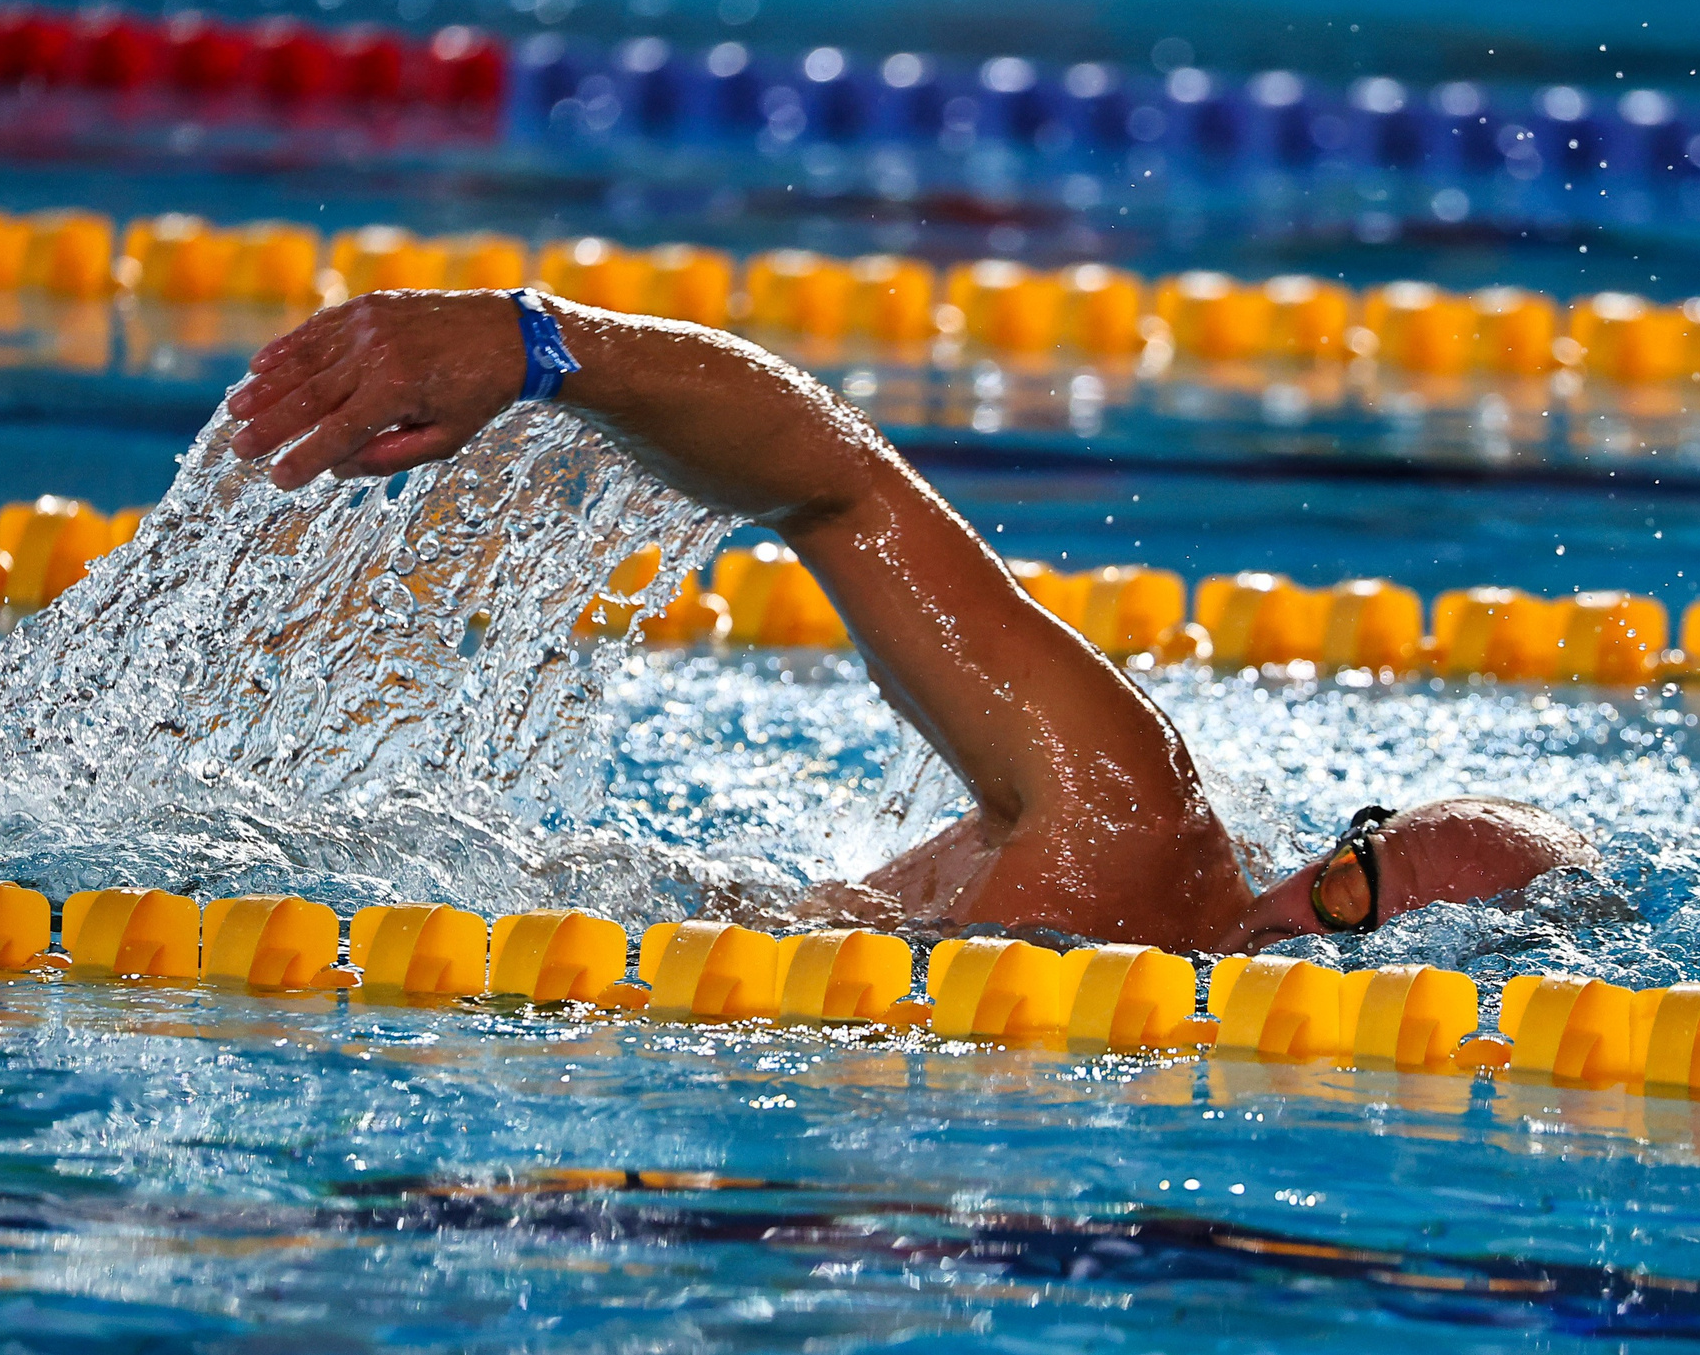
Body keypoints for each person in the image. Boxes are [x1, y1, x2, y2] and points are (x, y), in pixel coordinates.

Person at [224, 287, 1597, 953]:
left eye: (1358, 887)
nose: (1306, 889)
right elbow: (837, 487)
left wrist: (538, 347)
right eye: (1352, 854)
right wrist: (530, 346)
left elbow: (839, 493)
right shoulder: (1141, 833)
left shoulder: (1141, 882)